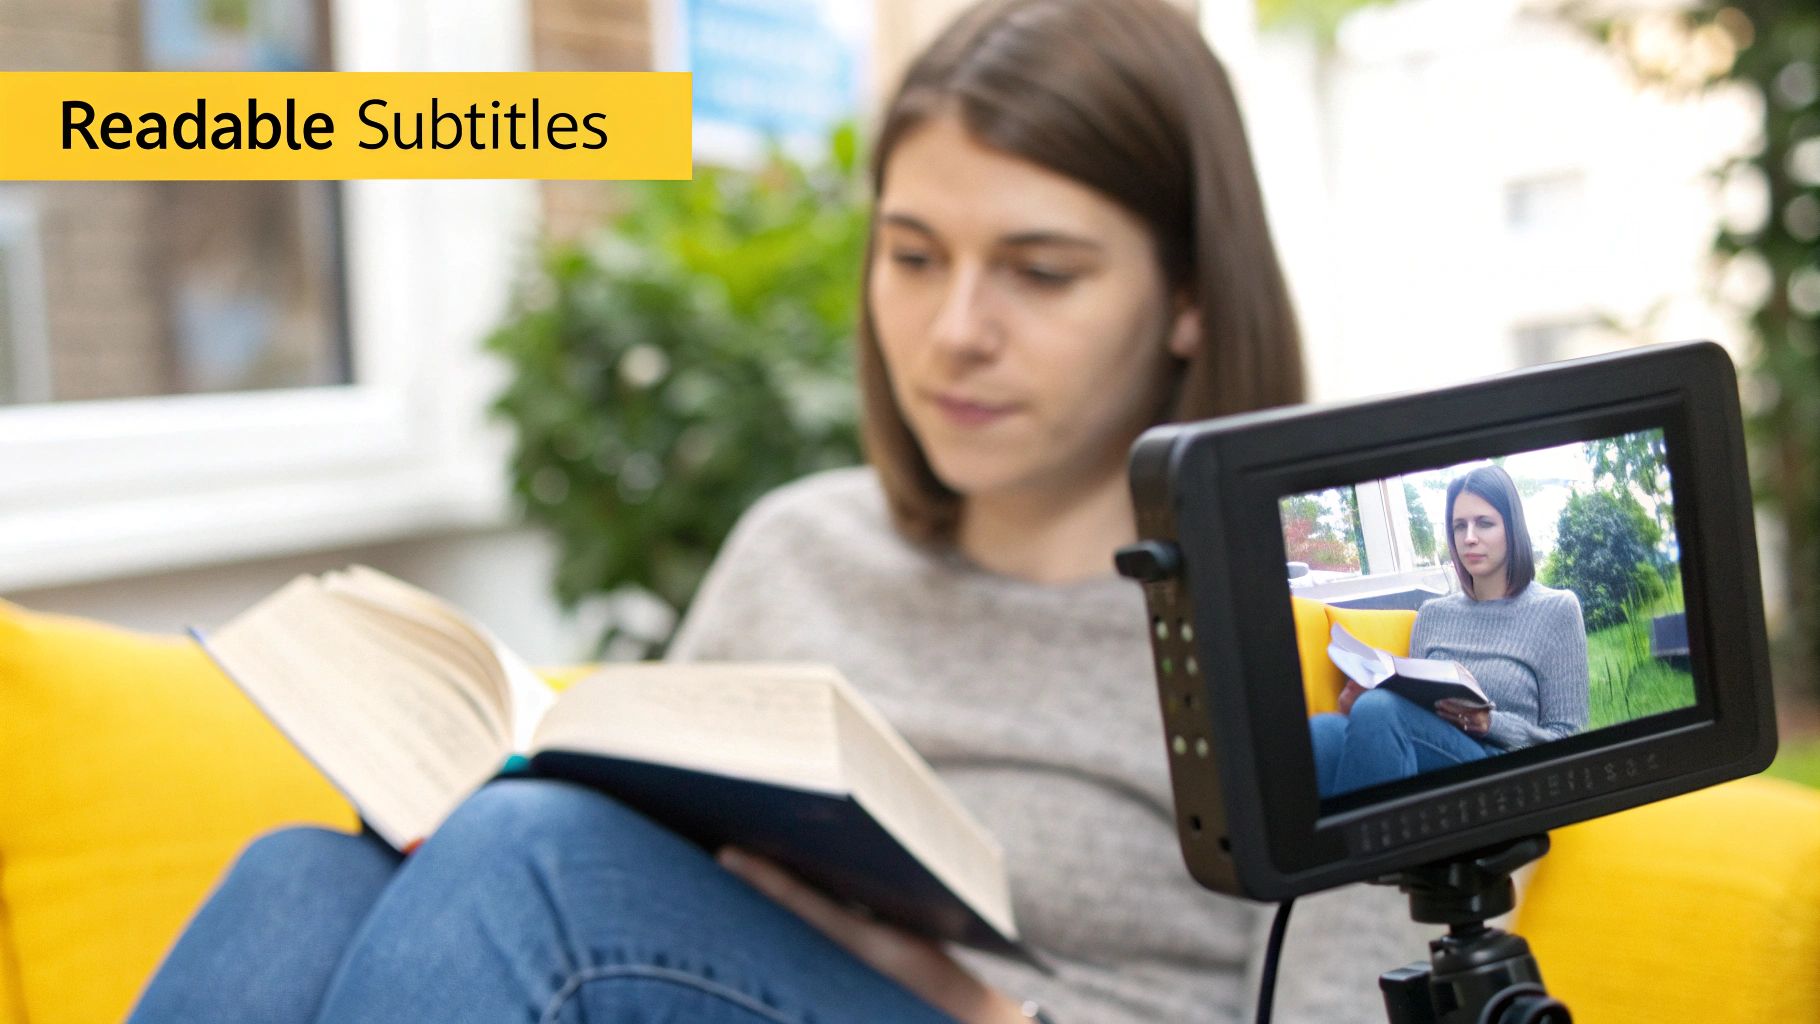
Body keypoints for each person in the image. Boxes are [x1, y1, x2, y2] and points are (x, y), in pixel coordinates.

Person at [128, 2, 1423, 1021]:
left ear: (1190, 297)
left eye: (1039, 271)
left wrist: (981, 1011)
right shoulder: (800, 547)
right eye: (912, 258)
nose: (954, 331)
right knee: (306, 877)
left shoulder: (1312, 619)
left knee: (533, 862)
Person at [1309, 465, 1590, 798]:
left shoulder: (1556, 610)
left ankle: (1357, 848)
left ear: (1512, 528)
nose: (1469, 537)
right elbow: (1409, 713)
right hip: (1433, 753)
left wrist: (1491, 723)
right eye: (1459, 526)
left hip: (1504, 769)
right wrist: (1360, 702)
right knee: (1322, 731)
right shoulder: (1433, 614)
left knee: (1379, 710)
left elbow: (1569, 739)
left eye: (1484, 523)